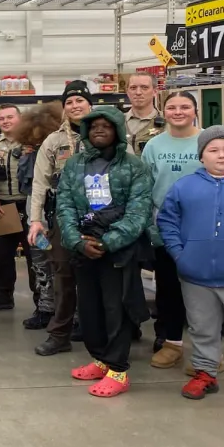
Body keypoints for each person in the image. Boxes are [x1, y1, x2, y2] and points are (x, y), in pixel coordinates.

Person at [55, 106, 152, 398]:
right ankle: (99, 359)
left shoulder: (134, 166)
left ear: (118, 131)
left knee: (116, 309)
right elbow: (65, 205)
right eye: (93, 126)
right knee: (90, 309)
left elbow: (139, 212)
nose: (98, 130)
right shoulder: (75, 164)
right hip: (84, 247)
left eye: (105, 126)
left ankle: (118, 370)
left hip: (117, 250)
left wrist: (108, 242)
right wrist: (76, 241)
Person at [157, 126, 224, 401]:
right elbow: (167, 221)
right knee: (201, 328)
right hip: (195, 276)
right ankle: (205, 373)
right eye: (214, 150)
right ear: (201, 156)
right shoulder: (184, 186)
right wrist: (180, 254)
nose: (222, 155)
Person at [28, 81, 93, 356]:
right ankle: (59, 334)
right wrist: (35, 219)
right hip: (62, 219)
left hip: (100, 219)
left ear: (90, 104)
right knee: (63, 277)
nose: (75, 105)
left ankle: (99, 332)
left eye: (80, 100)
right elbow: (40, 182)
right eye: (70, 102)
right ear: (64, 108)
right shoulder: (53, 141)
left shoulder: (105, 134)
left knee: (98, 278)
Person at [141, 91, 201, 368]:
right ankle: (172, 343)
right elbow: (144, 188)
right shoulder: (153, 146)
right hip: (164, 228)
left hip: (201, 229)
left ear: (195, 110)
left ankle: (208, 351)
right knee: (167, 289)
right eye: (172, 107)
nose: (178, 112)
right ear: (163, 111)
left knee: (204, 292)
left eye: (185, 107)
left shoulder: (208, 141)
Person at [13, 103, 63, 330]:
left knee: (63, 266)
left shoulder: (63, 149)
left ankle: (66, 311)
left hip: (60, 216)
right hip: (37, 217)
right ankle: (45, 307)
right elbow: (25, 185)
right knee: (40, 263)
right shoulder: (28, 155)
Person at [0, 104, 35, 313]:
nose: (5, 121)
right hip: (2, 207)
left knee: (36, 257)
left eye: (9, 117)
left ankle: (42, 301)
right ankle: (3, 297)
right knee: (2, 257)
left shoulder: (33, 142)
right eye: (1, 118)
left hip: (29, 206)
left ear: (19, 119)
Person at [125, 72, 164, 154]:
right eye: (133, 88)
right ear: (127, 92)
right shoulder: (116, 122)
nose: (138, 92)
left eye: (144, 87)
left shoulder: (167, 123)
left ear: (155, 92)